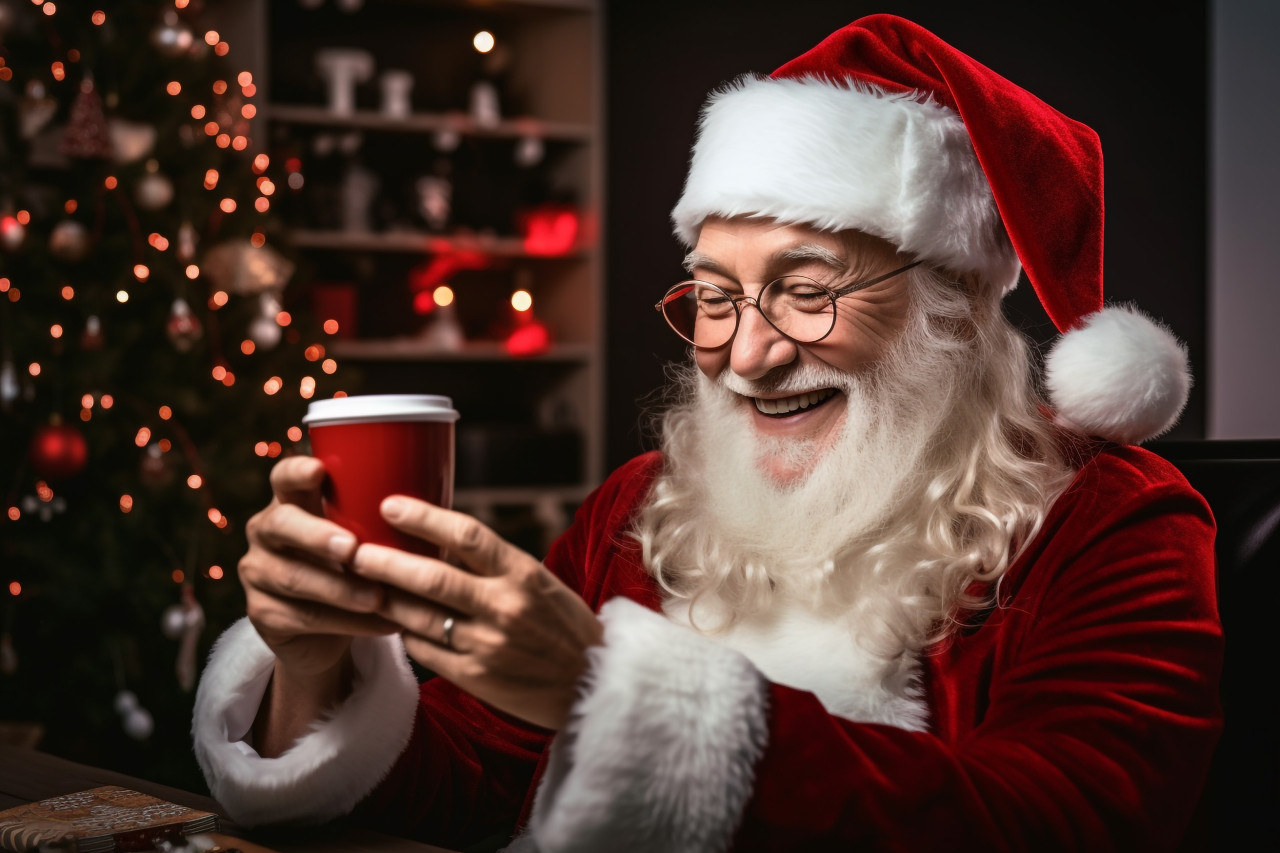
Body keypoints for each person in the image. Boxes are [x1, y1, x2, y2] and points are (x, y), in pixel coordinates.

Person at [191, 13, 1222, 852]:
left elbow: (1065, 822)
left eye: (805, 293)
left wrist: (612, 695)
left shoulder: (1108, 520)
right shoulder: (642, 505)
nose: (747, 355)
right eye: (715, 298)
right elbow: (477, 780)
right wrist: (313, 664)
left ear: (948, 308)